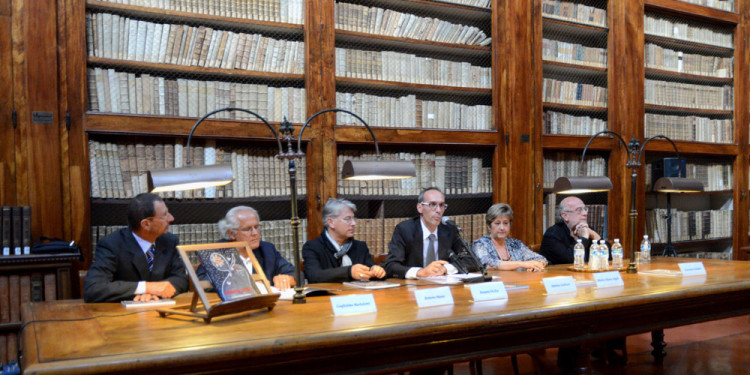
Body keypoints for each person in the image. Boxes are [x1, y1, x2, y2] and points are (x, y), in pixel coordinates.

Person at [83, 193, 189, 303]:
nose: (171, 218)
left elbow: (181, 280)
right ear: (146, 224)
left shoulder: (169, 241)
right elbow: (93, 288)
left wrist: (154, 292)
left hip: (162, 311)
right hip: (123, 315)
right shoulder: (112, 245)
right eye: (164, 215)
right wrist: (144, 288)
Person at [198, 206, 296, 290]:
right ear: (231, 233)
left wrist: (288, 278)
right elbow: (202, 282)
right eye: (247, 229)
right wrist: (245, 284)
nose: (255, 233)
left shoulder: (267, 250)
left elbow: (296, 273)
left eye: (256, 227)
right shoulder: (216, 253)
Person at [384, 187, 473, 279]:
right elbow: (391, 266)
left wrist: (445, 269)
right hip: (414, 287)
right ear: (420, 208)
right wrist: (420, 272)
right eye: (432, 204)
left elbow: (471, 260)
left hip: (443, 286)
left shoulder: (449, 229)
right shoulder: (405, 230)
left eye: (441, 205)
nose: (438, 210)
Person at [302, 198, 385, 283]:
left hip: (359, 294)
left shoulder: (360, 247)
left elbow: (372, 271)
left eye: (353, 219)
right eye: (348, 219)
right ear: (331, 222)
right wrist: (349, 272)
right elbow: (314, 276)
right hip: (328, 295)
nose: (353, 223)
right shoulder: (312, 247)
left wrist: (377, 271)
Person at [473, 203, 547, 272]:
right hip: (494, 284)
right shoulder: (480, 244)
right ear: (489, 226)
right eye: (497, 223)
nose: (502, 228)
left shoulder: (516, 244)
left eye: (505, 223)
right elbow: (488, 265)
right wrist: (522, 264)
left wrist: (537, 265)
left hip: (518, 283)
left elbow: (541, 259)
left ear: (510, 225)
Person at [539, 196, 601, 265]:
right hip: (561, 274)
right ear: (565, 216)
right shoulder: (552, 234)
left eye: (585, 209)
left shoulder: (588, 230)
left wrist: (595, 236)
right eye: (579, 210)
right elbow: (570, 260)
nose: (585, 213)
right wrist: (584, 238)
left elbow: (610, 257)